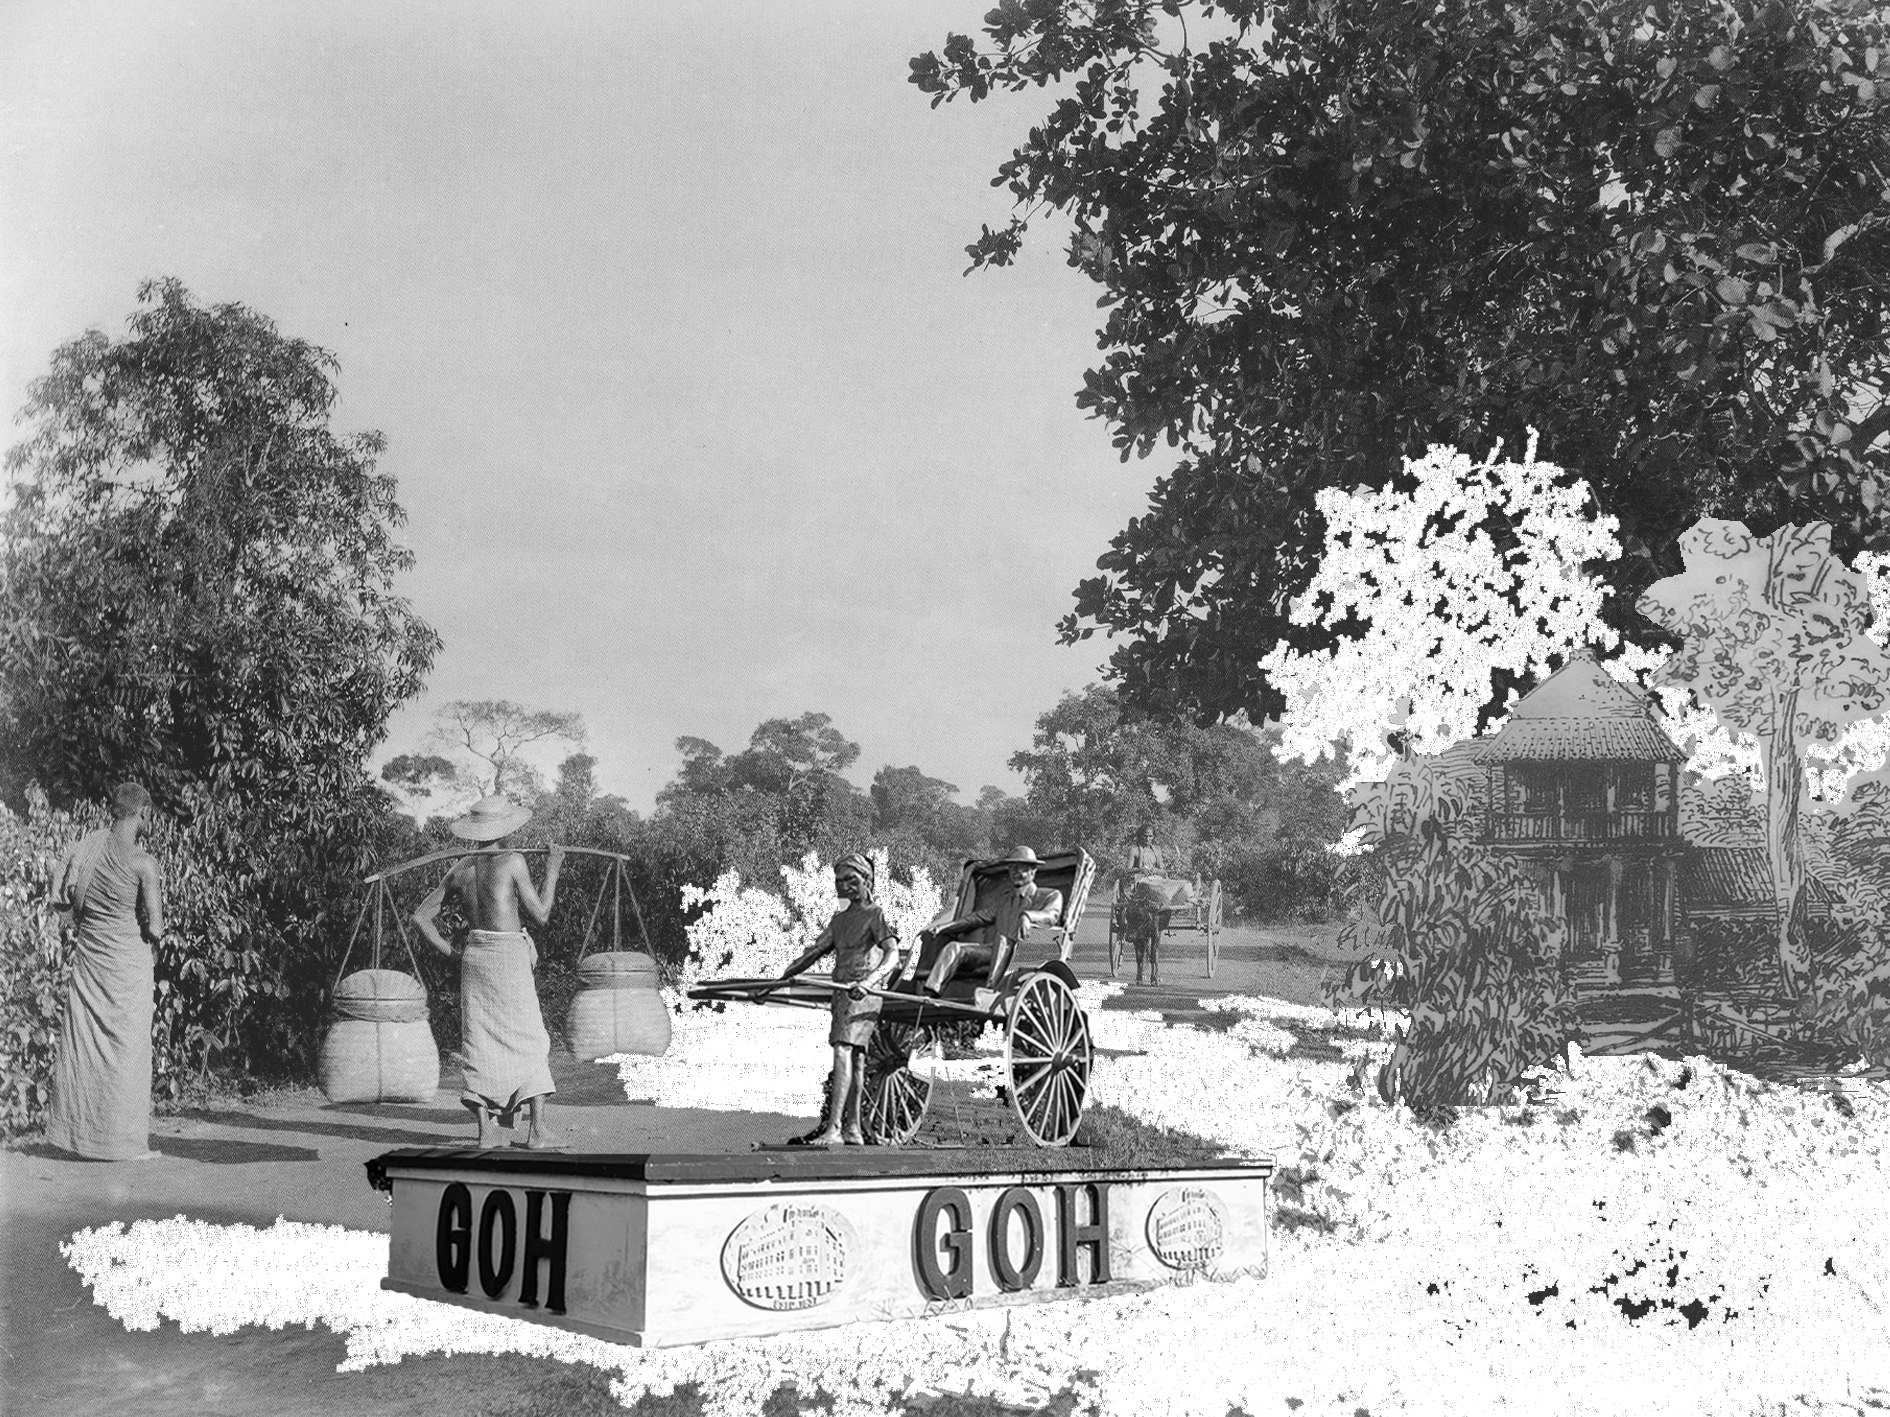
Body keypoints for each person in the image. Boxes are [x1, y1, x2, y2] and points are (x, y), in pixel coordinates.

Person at [412, 795, 565, 1151]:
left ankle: (486, 1131)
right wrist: (553, 869)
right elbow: (541, 915)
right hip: (508, 956)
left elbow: (420, 916)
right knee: (529, 1036)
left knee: (479, 1040)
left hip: (476, 957)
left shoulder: (460, 868)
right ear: (505, 827)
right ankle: (537, 1130)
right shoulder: (513, 860)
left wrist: (454, 954)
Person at [45, 783, 165, 1162]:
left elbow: (66, 902)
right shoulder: (144, 863)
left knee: (86, 1049)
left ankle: (79, 1139)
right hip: (127, 965)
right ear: (143, 813)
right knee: (128, 1051)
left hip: (90, 959)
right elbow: (156, 927)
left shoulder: (87, 849)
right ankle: (124, 1144)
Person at [774, 853, 902, 1147]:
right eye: (839, 881)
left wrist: (868, 983)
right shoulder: (840, 920)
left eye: (851, 879)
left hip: (864, 993)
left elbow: (892, 955)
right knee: (856, 1059)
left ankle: (834, 1128)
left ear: (867, 880)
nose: (844, 886)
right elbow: (814, 952)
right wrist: (783, 977)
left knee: (843, 1050)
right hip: (842, 992)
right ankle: (853, 1129)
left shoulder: (876, 915)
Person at [920, 846, 1064, 995]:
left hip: (1025, 953)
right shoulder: (1005, 900)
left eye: (1020, 868)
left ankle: (990, 992)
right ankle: (930, 992)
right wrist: (944, 927)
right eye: (1012, 868)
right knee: (954, 948)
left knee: (1002, 940)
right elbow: (977, 918)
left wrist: (1028, 916)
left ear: (1033, 870)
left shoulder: (1050, 896)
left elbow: (1051, 916)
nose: (1015, 872)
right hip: (994, 950)